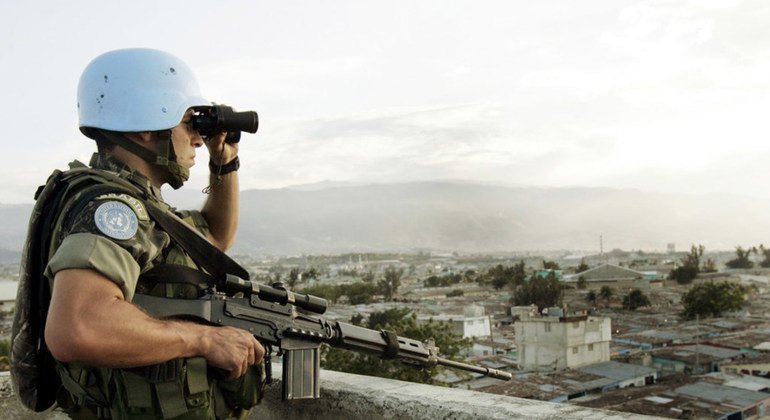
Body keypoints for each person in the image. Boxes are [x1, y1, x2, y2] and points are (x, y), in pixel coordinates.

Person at [37, 48, 265, 419]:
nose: (197, 139)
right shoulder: (115, 209)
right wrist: (205, 338)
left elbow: (215, 241)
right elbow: (77, 326)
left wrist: (224, 160)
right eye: (190, 123)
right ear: (147, 125)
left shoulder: (144, 207)